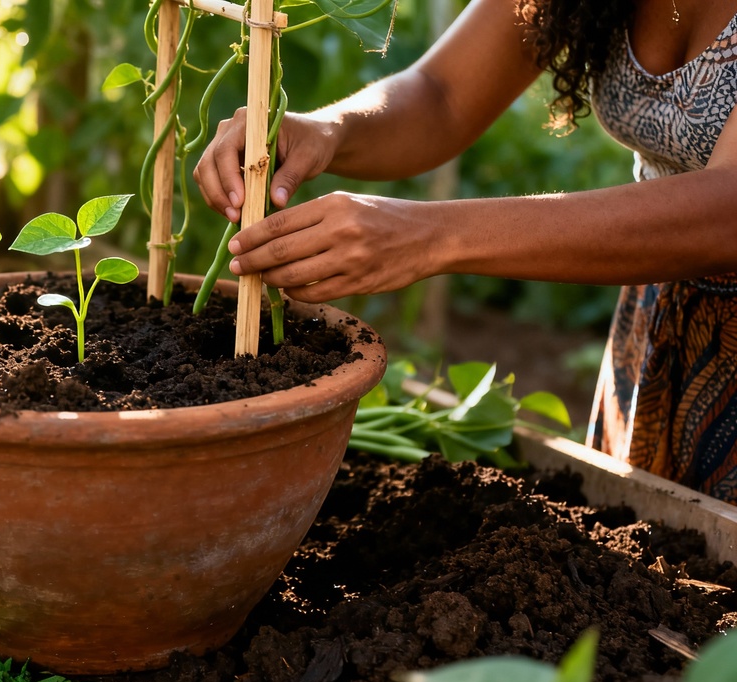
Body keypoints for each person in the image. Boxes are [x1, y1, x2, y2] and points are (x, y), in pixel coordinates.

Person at [194, 0, 737, 503]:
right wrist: (327, 129)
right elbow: (443, 93)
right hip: (658, 316)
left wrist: (431, 235)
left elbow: (727, 209)